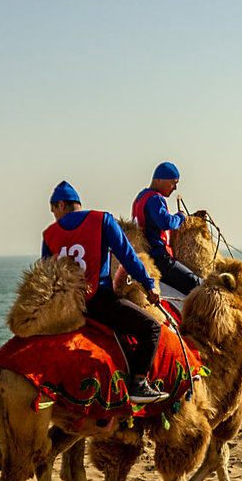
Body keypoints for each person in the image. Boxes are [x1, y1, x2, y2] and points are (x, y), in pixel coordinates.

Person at [44, 180, 168, 403]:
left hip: (66, 307)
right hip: (99, 302)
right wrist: (148, 284)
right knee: (151, 328)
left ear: (60, 204)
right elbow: (128, 256)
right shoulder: (103, 220)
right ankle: (139, 384)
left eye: (53, 210)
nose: (54, 216)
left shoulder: (49, 234)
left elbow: (46, 273)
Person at [132, 162, 204, 296]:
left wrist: (189, 217)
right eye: (173, 183)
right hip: (159, 259)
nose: (175, 188)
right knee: (198, 284)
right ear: (159, 180)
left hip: (147, 256)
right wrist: (181, 217)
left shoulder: (140, 197)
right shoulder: (155, 198)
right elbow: (166, 222)